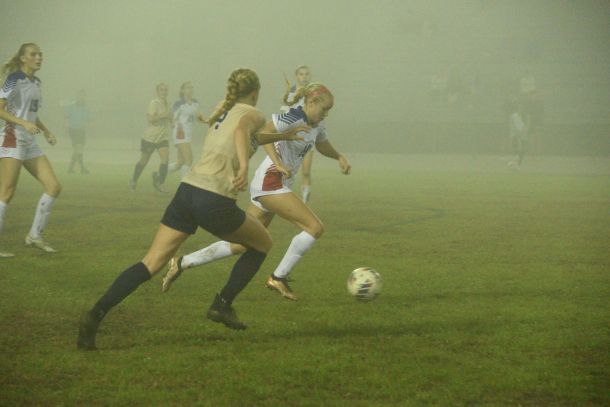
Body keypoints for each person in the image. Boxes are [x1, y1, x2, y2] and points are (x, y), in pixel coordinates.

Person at [77, 68, 305, 350]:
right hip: (214, 197)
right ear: (255, 93)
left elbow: (250, 136)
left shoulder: (222, 111)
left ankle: (95, 315)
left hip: (187, 192)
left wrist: (286, 136)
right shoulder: (253, 113)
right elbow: (242, 131)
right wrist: (244, 167)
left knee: (150, 263)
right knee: (262, 244)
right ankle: (222, 304)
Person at [162, 83, 351, 301]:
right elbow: (263, 133)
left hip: (277, 184)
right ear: (311, 102)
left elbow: (322, 143)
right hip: (270, 182)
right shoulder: (293, 117)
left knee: (244, 243)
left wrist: (338, 156)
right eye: (324, 109)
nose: (326, 114)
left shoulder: (317, 123)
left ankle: (182, 262)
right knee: (314, 227)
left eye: (328, 110)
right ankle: (278, 277)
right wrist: (277, 162)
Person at [0, 43, 61, 257]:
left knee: (53, 186)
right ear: (23, 58)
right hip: (12, 137)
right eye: (33, 54)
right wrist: (23, 123)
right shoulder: (14, 79)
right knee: (7, 191)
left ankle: (34, 236)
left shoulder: (37, 82)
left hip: (29, 141)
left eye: (40, 54)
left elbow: (32, 114)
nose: (39, 57)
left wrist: (46, 130)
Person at [129, 83, 172, 193]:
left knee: (165, 160)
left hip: (163, 137)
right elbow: (151, 119)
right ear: (157, 92)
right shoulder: (154, 103)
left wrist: (173, 122)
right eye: (161, 90)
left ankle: (159, 183)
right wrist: (163, 115)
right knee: (143, 161)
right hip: (150, 138)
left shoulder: (168, 103)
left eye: (166, 90)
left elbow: (170, 117)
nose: (164, 92)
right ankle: (134, 180)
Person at [281, 66, 315, 202]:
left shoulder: (314, 92)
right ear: (297, 76)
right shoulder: (291, 93)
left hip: (308, 137)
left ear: (310, 76)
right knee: (287, 171)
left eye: (306, 74)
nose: (304, 77)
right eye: (301, 74)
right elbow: (285, 113)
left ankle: (304, 201)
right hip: (292, 138)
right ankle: (283, 199)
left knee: (306, 172)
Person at [167, 82, 203, 178]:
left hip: (188, 133)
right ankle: (185, 183)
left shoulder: (195, 102)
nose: (190, 90)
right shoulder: (179, 103)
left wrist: (207, 121)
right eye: (187, 88)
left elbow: (198, 116)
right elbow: (171, 115)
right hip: (180, 132)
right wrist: (172, 122)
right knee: (189, 160)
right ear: (182, 90)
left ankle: (160, 173)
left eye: (191, 88)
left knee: (180, 162)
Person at [65, 89, 90, 174]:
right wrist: (66, 128)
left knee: (79, 150)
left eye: (83, 95)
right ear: (77, 96)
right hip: (73, 130)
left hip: (82, 130)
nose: (81, 97)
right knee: (78, 149)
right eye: (79, 95)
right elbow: (66, 118)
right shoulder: (71, 106)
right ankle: (82, 168)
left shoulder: (86, 107)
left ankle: (71, 169)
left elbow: (87, 119)